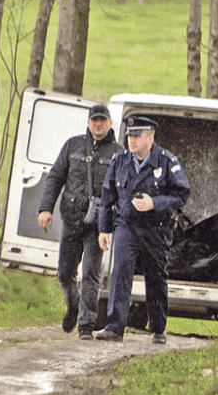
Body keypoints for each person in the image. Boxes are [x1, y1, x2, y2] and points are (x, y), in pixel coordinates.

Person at [95, 116, 190, 344]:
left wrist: (155, 203)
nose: (132, 141)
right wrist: (104, 229)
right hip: (126, 225)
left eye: (137, 136)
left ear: (150, 137)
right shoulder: (120, 160)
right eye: (129, 136)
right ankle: (115, 327)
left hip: (155, 228)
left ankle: (158, 328)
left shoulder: (166, 161)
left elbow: (182, 195)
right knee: (120, 272)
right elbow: (107, 195)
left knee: (156, 277)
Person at [38, 104, 124, 340]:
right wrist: (46, 208)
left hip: (98, 224)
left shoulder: (119, 153)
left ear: (110, 123)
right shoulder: (72, 145)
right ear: (88, 123)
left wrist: (115, 220)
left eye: (102, 120)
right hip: (71, 219)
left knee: (91, 274)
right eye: (94, 120)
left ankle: (86, 324)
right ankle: (74, 305)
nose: (98, 124)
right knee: (64, 274)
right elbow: (55, 177)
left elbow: (123, 189)